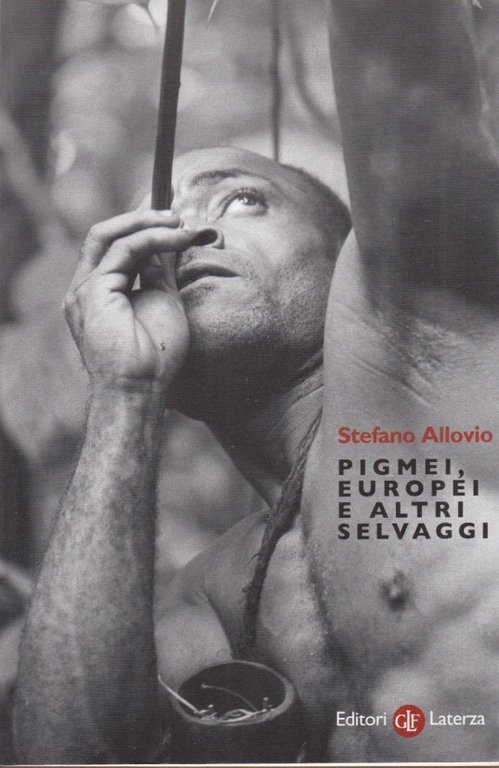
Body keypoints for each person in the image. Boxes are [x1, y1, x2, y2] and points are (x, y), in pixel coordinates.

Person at [13, 1, 499, 763]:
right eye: (156, 229)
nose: (188, 234)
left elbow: (399, 63)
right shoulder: (213, 597)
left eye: (243, 200)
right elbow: (71, 758)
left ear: (355, 252)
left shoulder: (434, 347)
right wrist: (124, 393)